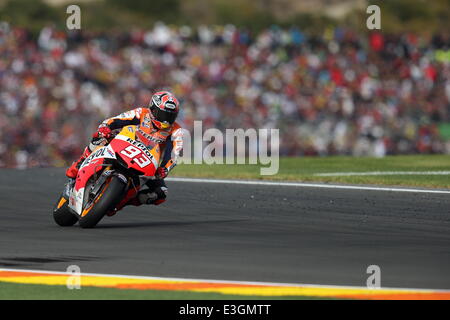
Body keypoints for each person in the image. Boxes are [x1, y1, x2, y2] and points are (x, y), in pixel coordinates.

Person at [66, 91, 183, 209]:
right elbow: (116, 120)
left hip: (145, 162)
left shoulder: (176, 131)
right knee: (100, 136)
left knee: (161, 193)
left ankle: (121, 201)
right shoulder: (141, 113)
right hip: (123, 144)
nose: (166, 121)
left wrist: (164, 168)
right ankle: (79, 164)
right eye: (163, 115)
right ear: (153, 109)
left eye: (170, 116)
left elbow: (174, 155)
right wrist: (106, 127)